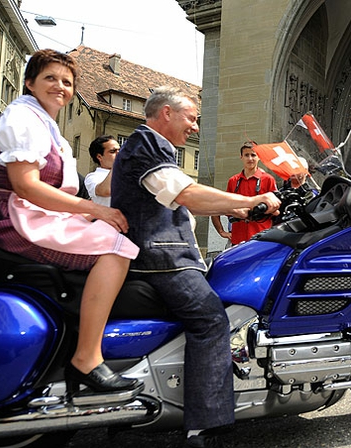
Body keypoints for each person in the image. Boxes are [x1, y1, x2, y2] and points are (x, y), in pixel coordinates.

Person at [111, 85, 280, 447]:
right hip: (164, 259)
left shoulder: (152, 148)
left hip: (159, 255)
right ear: (167, 113)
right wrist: (251, 199)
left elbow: (182, 199)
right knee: (211, 320)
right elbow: (186, 193)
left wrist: (236, 208)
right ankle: (203, 427)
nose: (196, 127)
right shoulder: (148, 144)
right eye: (191, 117)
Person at [0, 49, 141, 394]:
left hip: (36, 212)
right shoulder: (21, 118)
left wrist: (92, 211)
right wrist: (95, 209)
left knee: (116, 231)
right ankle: (86, 359)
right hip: (18, 220)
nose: (60, 86)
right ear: (30, 82)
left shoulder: (44, 122)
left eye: (67, 82)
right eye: (50, 78)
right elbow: (26, 186)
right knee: (116, 249)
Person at [211, 141, 277, 245]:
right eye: (246, 155)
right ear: (241, 157)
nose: (250, 159)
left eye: (253, 155)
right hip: (238, 239)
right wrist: (221, 231)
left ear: (259, 157)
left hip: (262, 238)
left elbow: (277, 210)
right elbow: (219, 207)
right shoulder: (233, 181)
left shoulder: (268, 179)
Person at [84, 135, 120, 206]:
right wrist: (117, 164)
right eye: (113, 151)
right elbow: (106, 191)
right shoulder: (92, 177)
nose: (119, 153)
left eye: (120, 150)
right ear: (99, 157)